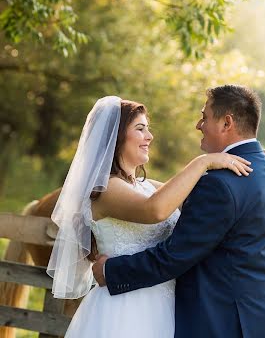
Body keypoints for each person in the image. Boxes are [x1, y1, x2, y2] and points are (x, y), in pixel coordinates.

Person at [93, 85, 265, 338]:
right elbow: (169, 197)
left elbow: (174, 255)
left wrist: (112, 272)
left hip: (227, 324)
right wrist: (205, 164)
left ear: (226, 123)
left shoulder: (219, 183)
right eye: (140, 128)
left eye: (205, 117)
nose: (199, 125)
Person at [47, 95, 252, 338]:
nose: (149, 137)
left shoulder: (147, 186)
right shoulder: (105, 190)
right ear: (117, 136)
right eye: (140, 129)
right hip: (124, 311)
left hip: (165, 308)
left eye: (148, 129)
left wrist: (250, 159)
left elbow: (205, 197)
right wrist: (203, 162)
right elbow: (154, 210)